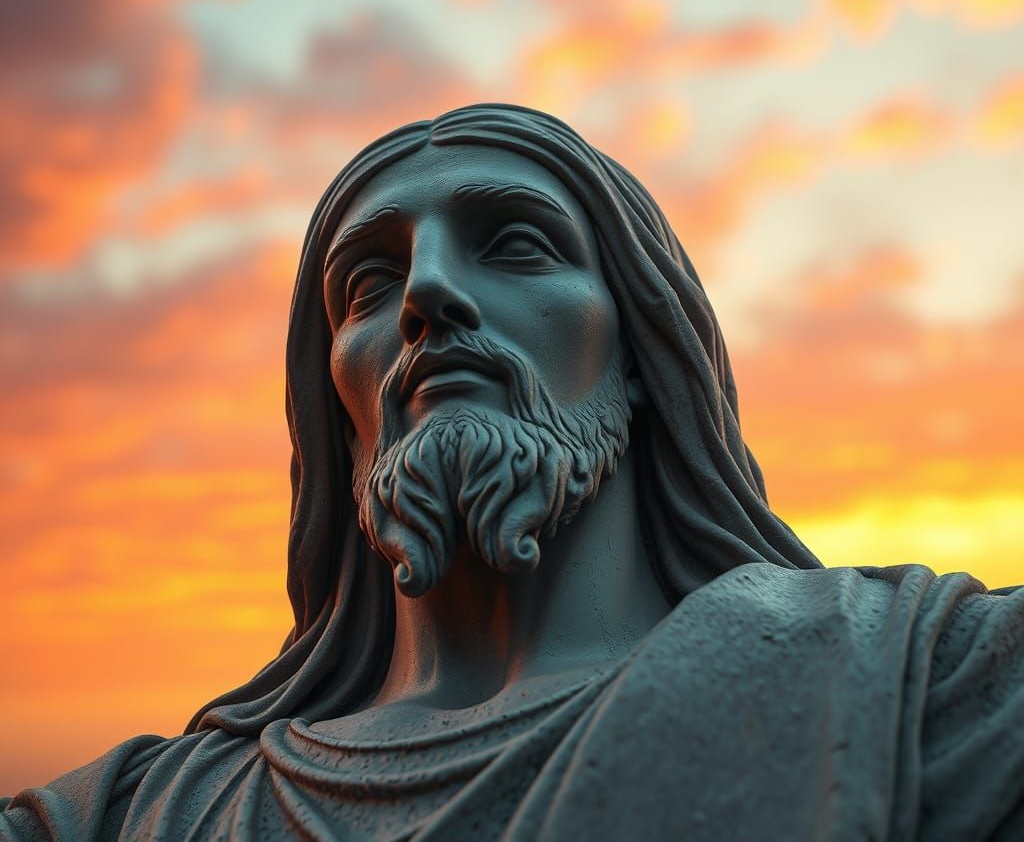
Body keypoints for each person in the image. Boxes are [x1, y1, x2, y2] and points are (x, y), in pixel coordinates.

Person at [2, 104, 1021, 841]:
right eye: (370, 280)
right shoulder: (145, 813)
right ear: (340, 418)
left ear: (639, 355)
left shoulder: (938, 689)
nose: (430, 293)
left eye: (518, 246)